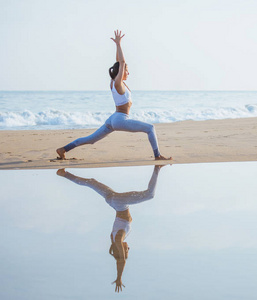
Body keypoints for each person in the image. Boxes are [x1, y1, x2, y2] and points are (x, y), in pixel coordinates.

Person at [56, 30, 171, 161]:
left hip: (113, 119)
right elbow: (121, 62)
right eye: (127, 71)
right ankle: (157, 156)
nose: (128, 73)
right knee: (150, 128)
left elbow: (118, 62)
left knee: (90, 140)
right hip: (120, 119)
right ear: (121, 73)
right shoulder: (118, 83)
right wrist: (119, 45)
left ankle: (63, 149)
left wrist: (117, 45)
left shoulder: (114, 82)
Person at [57, 165, 164, 293]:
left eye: (127, 251)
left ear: (121, 251)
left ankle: (157, 167)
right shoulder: (113, 239)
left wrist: (119, 277)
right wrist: (114, 252)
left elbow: (121, 260)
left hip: (120, 203)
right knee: (91, 182)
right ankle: (63, 174)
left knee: (149, 195)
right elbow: (116, 254)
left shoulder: (118, 239)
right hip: (111, 201)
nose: (128, 248)